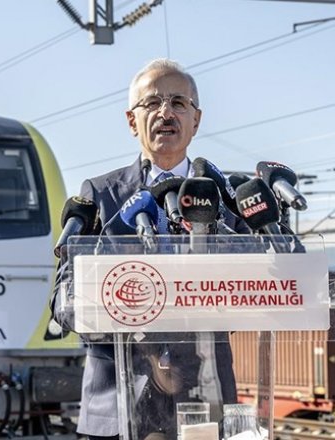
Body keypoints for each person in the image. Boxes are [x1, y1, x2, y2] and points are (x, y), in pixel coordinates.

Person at [53, 59, 248, 439]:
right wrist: (142, 343)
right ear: (131, 121)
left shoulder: (226, 198)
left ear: (197, 119)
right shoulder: (101, 196)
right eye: (153, 103)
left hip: (204, 398)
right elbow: (64, 305)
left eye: (178, 102)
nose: (165, 113)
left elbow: (257, 291)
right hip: (117, 406)